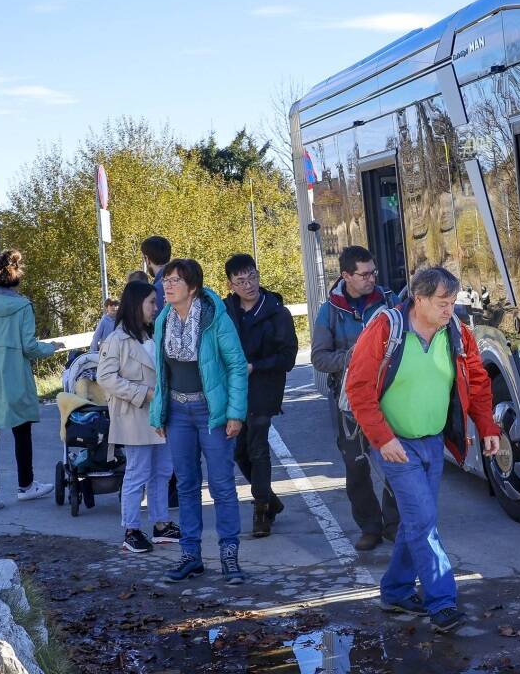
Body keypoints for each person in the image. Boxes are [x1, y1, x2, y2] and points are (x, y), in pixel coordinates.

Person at [345, 266, 500, 634]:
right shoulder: (386, 328)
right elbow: (359, 388)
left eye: (452, 302)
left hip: (433, 442)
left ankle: (396, 591)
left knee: (418, 521)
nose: (450, 310)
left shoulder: (457, 333)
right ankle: (442, 601)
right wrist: (383, 438)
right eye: (442, 303)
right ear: (419, 298)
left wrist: (488, 426)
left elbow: (477, 382)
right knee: (423, 522)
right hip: (396, 445)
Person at [148, 259, 249, 584]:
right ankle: (190, 556)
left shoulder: (213, 317)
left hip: (212, 413)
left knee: (221, 486)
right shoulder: (163, 318)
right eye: (166, 280)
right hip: (178, 413)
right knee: (187, 485)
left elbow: (236, 366)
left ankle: (229, 557)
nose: (167, 286)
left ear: (192, 287)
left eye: (175, 281)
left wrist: (235, 413)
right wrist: (158, 413)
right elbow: (161, 372)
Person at [0, 249, 65, 512]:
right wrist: (53, 347)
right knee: (22, 432)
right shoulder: (23, 306)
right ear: (17, 276)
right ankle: (26, 485)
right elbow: (29, 347)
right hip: (15, 376)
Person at [311, 245, 400, 551]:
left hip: (390, 396)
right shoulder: (330, 310)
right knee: (356, 466)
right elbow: (320, 359)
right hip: (349, 401)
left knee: (396, 461)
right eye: (363, 274)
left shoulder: (390, 301)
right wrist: (354, 357)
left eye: (373, 272)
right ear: (346, 275)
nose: (370, 279)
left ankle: (395, 524)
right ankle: (370, 527)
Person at [98, 280, 180, 553]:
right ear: (136, 305)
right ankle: (131, 529)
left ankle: (160, 524)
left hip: (157, 415)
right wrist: (143, 393)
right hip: (134, 417)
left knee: (162, 471)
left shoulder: (151, 334)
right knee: (138, 473)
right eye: (151, 303)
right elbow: (106, 378)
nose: (155, 308)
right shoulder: (116, 339)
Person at [223, 253, 297, 538]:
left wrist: (256, 365)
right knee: (239, 450)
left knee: (257, 446)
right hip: (234, 388)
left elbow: (288, 357)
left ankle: (261, 511)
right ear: (230, 285)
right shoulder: (225, 311)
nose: (248, 285)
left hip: (265, 387)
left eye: (251, 277)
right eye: (240, 281)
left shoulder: (277, 312)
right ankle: (271, 499)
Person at [140, 236, 179, 510]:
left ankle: (172, 489)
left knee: (168, 425)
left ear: (146, 259)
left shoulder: (156, 289)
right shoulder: (182, 279)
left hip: (165, 361)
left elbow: (155, 327)